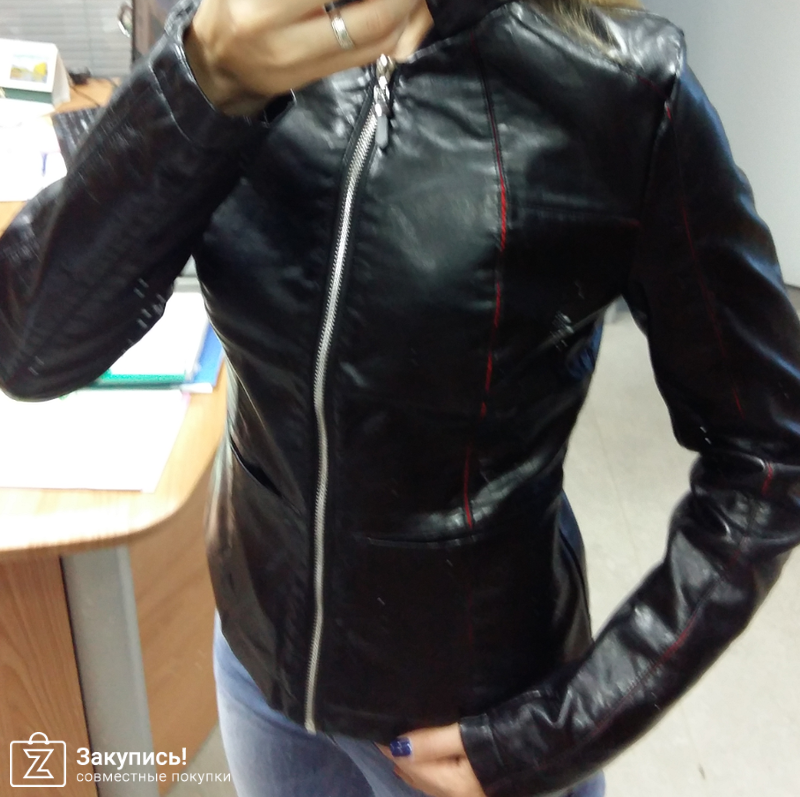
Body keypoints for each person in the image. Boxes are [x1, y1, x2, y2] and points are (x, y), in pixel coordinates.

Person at [1, 0, 799, 794]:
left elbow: (770, 451)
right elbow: (29, 348)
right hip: (260, 664)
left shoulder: (622, 89)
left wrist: (572, 724)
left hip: (473, 719)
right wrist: (201, 76)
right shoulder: (230, 26)